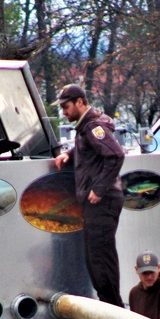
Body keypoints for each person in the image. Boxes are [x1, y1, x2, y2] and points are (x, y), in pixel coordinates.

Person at [52, 84, 125, 306]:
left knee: (101, 259)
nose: (63, 112)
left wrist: (99, 189)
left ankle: (114, 311)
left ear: (80, 103)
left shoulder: (93, 126)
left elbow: (115, 155)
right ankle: (108, 308)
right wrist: (70, 154)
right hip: (98, 202)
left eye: (66, 107)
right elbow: (91, 150)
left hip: (103, 201)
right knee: (95, 259)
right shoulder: (86, 127)